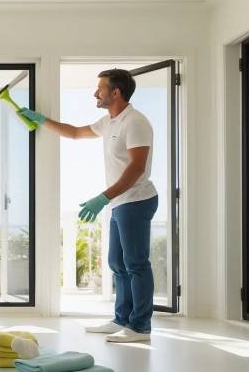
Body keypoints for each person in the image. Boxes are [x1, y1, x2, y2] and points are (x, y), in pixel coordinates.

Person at [19, 69, 157, 343]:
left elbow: (137, 168)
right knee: (117, 262)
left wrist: (103, 196)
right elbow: (75, 133)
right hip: (119, 202)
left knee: (136, 264)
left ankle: (140, 327)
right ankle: (122, 319)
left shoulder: (136, 122)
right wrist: (41, 120)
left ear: (115, 92)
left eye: (100, 88)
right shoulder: (110, 121)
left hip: (136, 199)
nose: (96, 93)